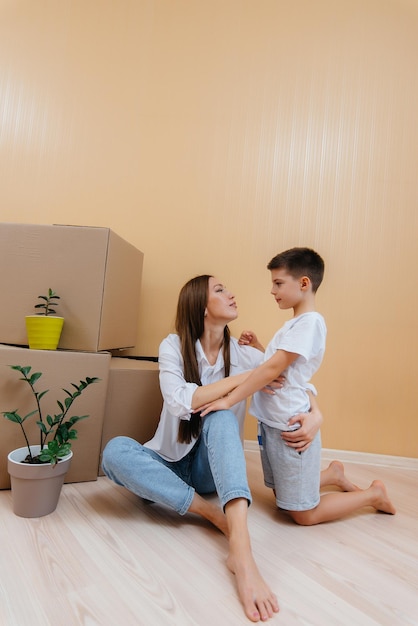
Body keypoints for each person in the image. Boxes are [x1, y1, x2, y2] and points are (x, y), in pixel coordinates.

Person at [102, 274, 322, 622]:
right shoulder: (173, 346)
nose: (232, 293)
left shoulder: (245, 354)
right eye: (220, 290)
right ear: (201, 307)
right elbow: (180, 401)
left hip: (208, 471)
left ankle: (242, 551)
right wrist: (245, 380)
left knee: (219, 418)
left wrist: (317, 414)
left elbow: (292, 378)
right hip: (167, 463)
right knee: (114, 451)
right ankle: (215, 517)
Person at [198, 248, 396, 525]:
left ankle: (373, 495)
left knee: (303, 513)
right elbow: (282, 366)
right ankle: (332, 475)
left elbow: (272, 368)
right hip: (271, 423)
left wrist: (228, 400)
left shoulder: (311, 323)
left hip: (289, 425)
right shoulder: (294, 325)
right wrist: (259, 347)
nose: (272, 290)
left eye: (278, 283)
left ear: (304, 283)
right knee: (283, 494)